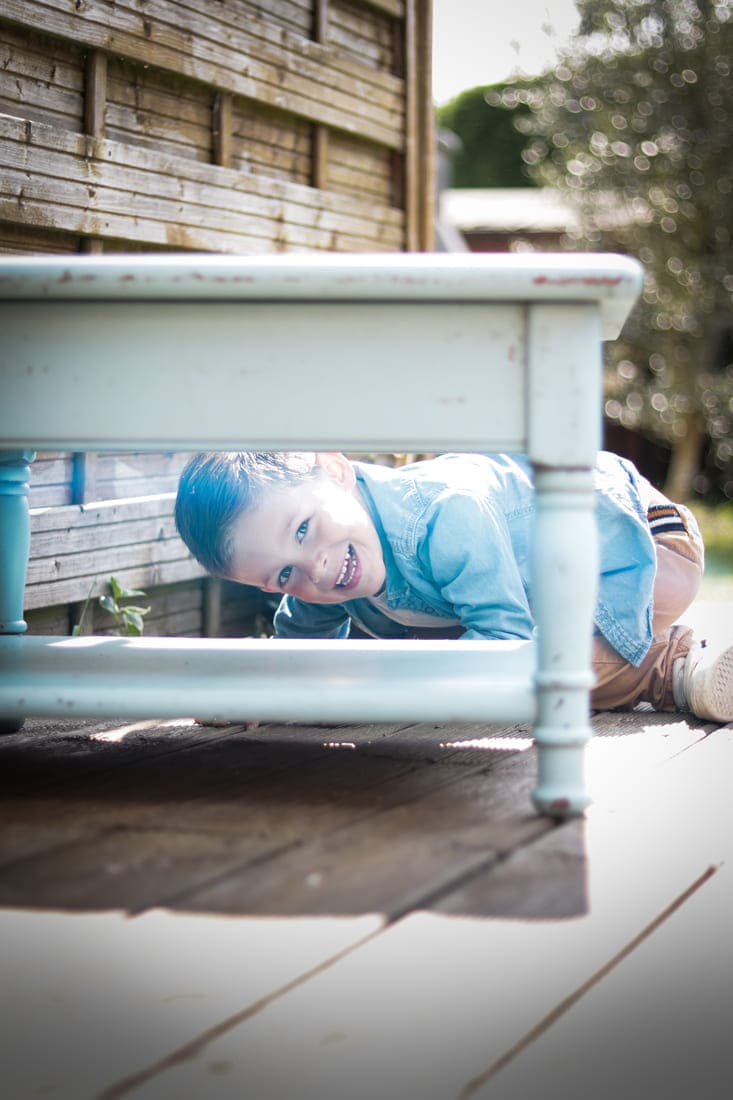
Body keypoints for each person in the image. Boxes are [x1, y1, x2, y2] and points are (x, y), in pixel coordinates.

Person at [175, 450, 733, 722]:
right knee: (427, 654)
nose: (314, 569)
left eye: (303, 530)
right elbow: (299, 654)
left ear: (335, 471)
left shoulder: (444, 514)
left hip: (639, 545)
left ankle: (673, 666)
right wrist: (255, 696)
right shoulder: (332, 566)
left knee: (511, 670)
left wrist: (385, 689)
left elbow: (504, 648)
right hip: (543, 579)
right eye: (284, 575)